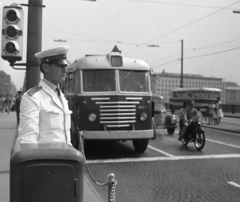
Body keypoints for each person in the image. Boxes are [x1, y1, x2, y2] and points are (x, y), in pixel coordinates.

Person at [16, 46, 72, 146]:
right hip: (46, 159)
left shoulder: (61, 96)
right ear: (45, 67)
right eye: (60, 66)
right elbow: (27, 139)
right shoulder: (32, 97)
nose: (65, 70)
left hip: (64, 159)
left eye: (65, 66)